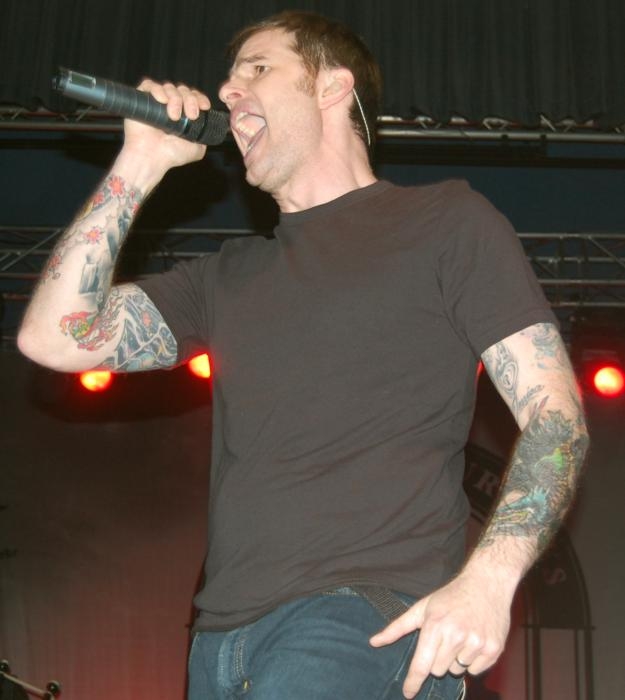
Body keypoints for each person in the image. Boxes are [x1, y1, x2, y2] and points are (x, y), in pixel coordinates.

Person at [18, 10, 588, 700]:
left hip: (366, 620)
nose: (228, 92)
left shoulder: (444, 223)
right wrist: (139, 162)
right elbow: (53, 337)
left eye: (257, 69)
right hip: (221, 640)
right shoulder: (226, 276)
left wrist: (489, 580)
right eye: (228, 81)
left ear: (332, 87)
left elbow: (555, 417)